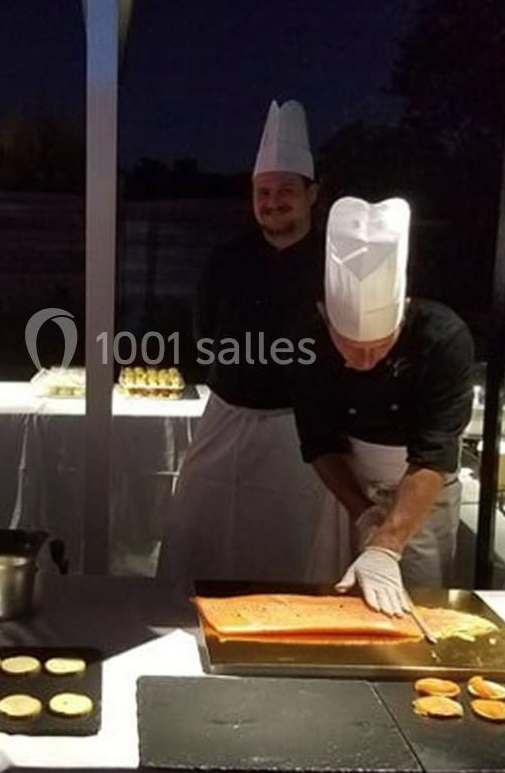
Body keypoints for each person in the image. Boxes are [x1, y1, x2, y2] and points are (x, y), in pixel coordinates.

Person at [156, 100, 326, 582]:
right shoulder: (227, 259)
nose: (272, 202)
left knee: (288, 546)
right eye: (262, 192)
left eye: (285, 191)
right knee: (196, 531)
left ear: (313, 193)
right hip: (225, 418)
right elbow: (203, 332)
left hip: (302, 432)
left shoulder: (334, 263)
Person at [289, 196, 473, 614]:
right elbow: (318, 441)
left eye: (380, 345)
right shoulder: (306, 342)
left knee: (422, 605)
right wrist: (364, 513)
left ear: (404, 312)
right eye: (350, 346)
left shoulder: (444, 339)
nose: (365, 361)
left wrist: (388, 546)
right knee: (334, 602)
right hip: (349, 479)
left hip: (424, 485)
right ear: (324, 315)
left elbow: (435, 453)